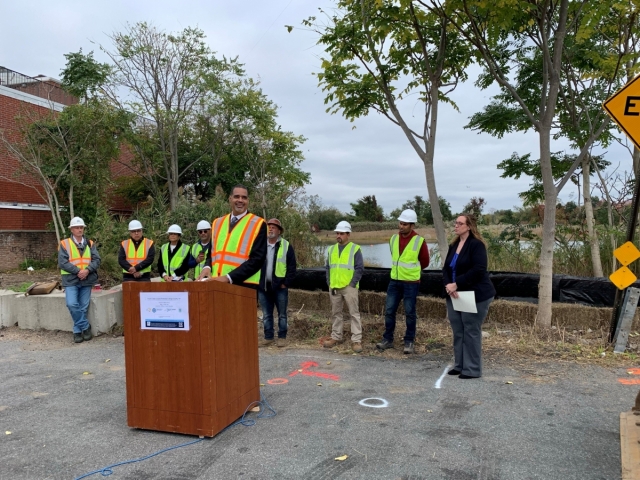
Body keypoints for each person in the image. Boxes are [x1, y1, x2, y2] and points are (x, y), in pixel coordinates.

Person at [442, 214, 496, 379]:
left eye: (460, 223)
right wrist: (449, 286)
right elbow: (445, 269)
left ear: (469, 226)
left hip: (475, 294)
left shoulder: (476, 245)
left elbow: (479, 269)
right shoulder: (454, 245)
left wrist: (456, 283)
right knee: (458, 330)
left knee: (471, 330)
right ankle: (460, 365)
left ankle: (472, 369)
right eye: (455, 223)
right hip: (455, 294)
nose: (456, 226)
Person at [376, 209, 430, 354]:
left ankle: (409, 341)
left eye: (405, 224)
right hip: (394, 281)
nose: (401, 226)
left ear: (412, 226)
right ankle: (387, 340)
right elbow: (395, 257)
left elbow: (425, 262)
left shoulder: (419, 241)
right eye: (400, 223)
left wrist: (410, 272)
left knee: (410, 313)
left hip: (411, 283)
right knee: (389, 311)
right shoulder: (393, 239)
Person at [201, 185, 267, 288]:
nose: (240, 200)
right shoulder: (217, 223)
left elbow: (257, 260)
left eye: (244, 197)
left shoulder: (258, 224)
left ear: (248, 200)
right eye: (237, 196)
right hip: (216, 283)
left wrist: (228, 277)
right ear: (230, 198)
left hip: (244, 287)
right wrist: (207, 267)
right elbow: (211, 253)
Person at [58, 217, 101, 343]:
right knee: (71, 304)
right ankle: (86, 326)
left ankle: (77, 331)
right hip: (71, 280)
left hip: (87, 279)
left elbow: (97, 260)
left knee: (83, 307)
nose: (79, 229)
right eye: (76, 227)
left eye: (81, 227)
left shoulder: (90, 243)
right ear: (71, 229)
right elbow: (62, 262)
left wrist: (87, 270)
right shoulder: (64, 244)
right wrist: (78, 272)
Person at [324, 221, 364, 353]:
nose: (338, 236)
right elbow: (328, 267)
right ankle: (336, 336)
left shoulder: (355, 248)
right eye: (337, 233)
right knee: (336, 313)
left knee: (354, 314)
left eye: (341, 233)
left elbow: (359, 268)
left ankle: (356, 340)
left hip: (349, 287)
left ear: (348, 234)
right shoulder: (331, 249)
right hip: (334, 286)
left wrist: (352, 284)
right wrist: (329, 282)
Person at [258, 218, 297, 348]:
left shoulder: (286, 245)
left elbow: (292, 267)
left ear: (279, 231)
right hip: (263, 287)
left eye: (274, 227)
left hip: (280, 287)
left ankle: (282, 337)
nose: (270, 229)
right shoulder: (260, 245)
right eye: (269, 226)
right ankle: (268, 337)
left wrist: (285, 283)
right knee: (267, 314)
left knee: (282, 315)